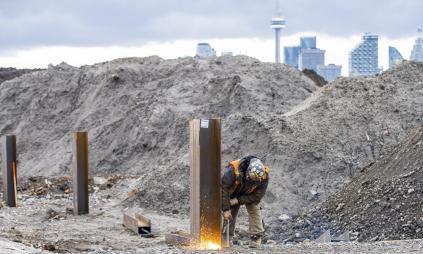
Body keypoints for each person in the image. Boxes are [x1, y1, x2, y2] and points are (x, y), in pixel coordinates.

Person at [221, 155, 269, 248]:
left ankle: (256, 237)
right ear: (248, 170)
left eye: (254, 180)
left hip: (248, 194)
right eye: (250, 177)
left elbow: (257, 196)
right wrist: (226, 209)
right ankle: (226, 237)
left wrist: (238, 200)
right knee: (231, 212)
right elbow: (224, 189)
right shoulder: (233, 170)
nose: (251, 180)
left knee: (254, 208)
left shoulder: (264, 177)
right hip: (233, 191)